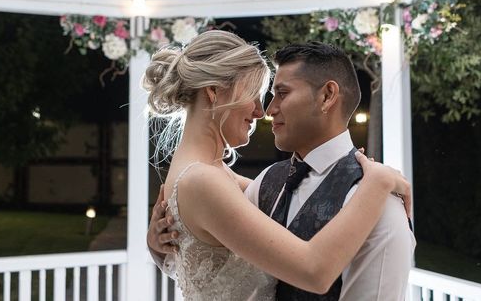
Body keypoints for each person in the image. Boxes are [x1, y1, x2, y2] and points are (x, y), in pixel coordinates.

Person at [142, 31, 411, 300]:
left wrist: (157, 246)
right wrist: (379, 183)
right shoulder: (203, 180)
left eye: (280, 93)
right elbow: (313, 271)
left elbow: (202, 263)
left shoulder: (229, 178)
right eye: (254, 94)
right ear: (213, 92)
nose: (263, 111)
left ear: (328, 96)